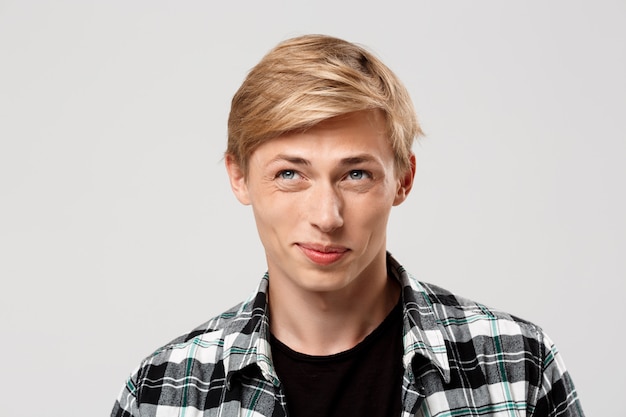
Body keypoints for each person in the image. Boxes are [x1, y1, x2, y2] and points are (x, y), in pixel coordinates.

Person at [111, 34, 584, 417]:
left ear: (403, 180)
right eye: (289, 174)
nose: (327, 216)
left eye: (356, 174)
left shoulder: (519, 367)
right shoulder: (162, 392)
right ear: (239, 178)